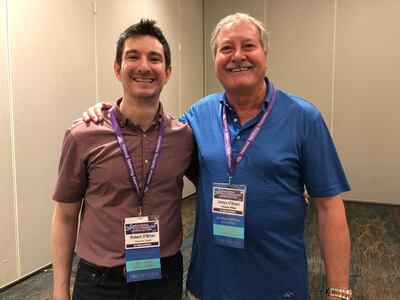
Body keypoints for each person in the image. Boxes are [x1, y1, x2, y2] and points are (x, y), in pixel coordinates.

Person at [83, 13, 352, 300]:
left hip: (279, 286)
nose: (238, 56)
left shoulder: (304, 119)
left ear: (265, 55)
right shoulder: (199, 115)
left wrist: (338, 291)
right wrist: (111, 114)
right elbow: (152, 134)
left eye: (248, 46)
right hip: (207, 287)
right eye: (226, 48)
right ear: (215, 60)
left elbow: (329, 208)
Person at [51, 19, 194, 300]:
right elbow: (65, 217)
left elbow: (218, 172)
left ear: (167, 73)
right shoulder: (83, 135)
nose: (144, 66)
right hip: (100, 283)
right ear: (118, 69)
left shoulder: (183, 136)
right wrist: (59, 290)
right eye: (133, 56)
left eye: (154, 58)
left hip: (163, 279)